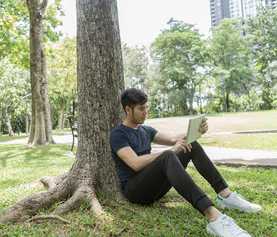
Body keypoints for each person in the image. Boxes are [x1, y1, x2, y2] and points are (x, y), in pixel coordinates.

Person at [110, 88, 262, 237]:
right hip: (136, 191)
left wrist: (197, 131)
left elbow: (173, 139)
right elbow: (135, 163)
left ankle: (225, 195)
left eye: (146, 108)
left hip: (155, 189)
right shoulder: (118, 134)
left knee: (191, 145)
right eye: (141, 109)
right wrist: (171, 151)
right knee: (168, 155)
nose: (146, 112)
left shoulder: (146, 130)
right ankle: (213, 216)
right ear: (128, 110)